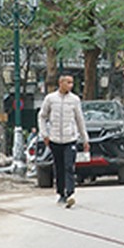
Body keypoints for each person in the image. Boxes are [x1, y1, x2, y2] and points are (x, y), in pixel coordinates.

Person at [39, 75, 89, 208]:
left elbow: (80, 120)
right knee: (59, 167)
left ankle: (70, 193)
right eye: (68, 82)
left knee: (69, 166)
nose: (71, 85)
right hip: (54, 139)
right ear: (60, 83)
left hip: (70, 139)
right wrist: (45, 134)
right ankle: (61, 193)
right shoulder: (50, 99)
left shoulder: (74, 100)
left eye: (72, 83)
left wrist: (85, 139)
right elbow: (42, 116)